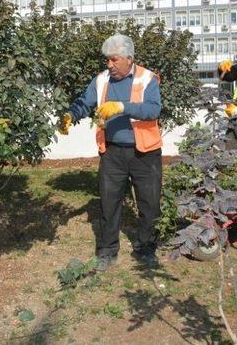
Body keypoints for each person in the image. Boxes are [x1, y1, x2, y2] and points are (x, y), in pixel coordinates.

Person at [57, 34, 162, 272]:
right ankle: (106, 251)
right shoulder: (102, 80)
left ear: (129, 59)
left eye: (114, 60)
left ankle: (146, 249)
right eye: (107, 60)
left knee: (149, 204)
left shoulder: (147, 79)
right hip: (112, 152)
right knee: (108, 202)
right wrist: (70, 116)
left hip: (144, 153)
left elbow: (153, 109)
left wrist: (123, 107)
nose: (109, 65)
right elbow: (85, 102)